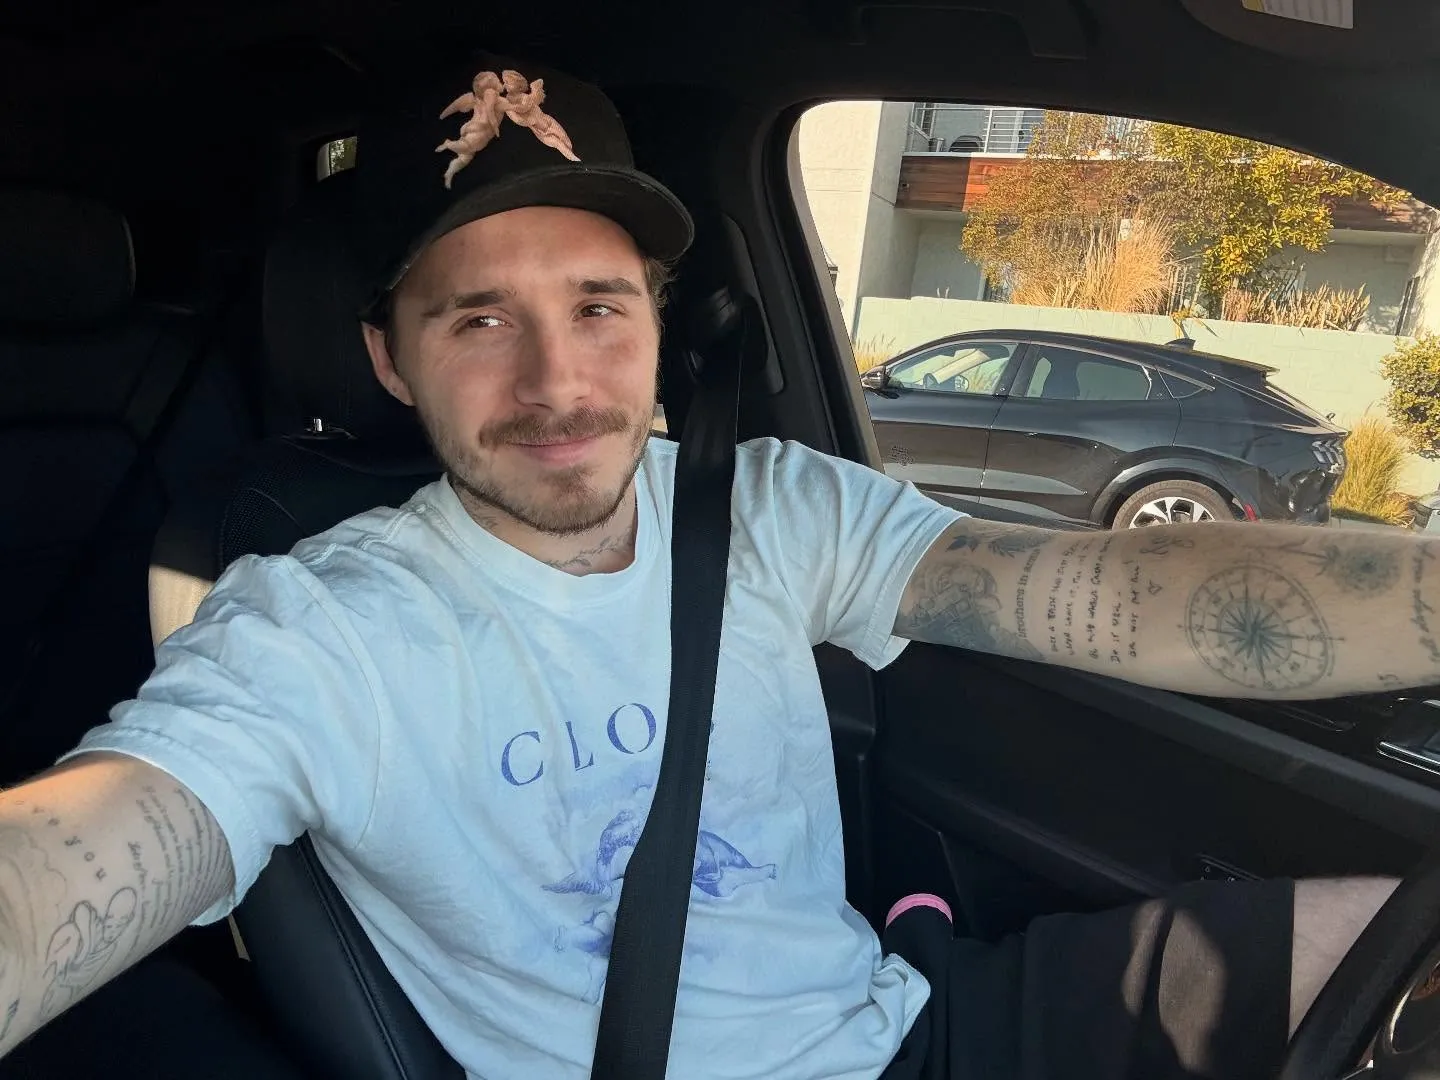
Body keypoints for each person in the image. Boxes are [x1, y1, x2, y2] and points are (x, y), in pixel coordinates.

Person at [0, 51, 1411, 1080]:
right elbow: (97, 843)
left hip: (911, 1031)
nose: (558, 381)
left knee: (1398, 955)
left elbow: (1116, 596)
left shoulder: (773, 506)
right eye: (478, 319)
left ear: (659, 324)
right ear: (385, 354)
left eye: (598, 305)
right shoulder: (311, 627)